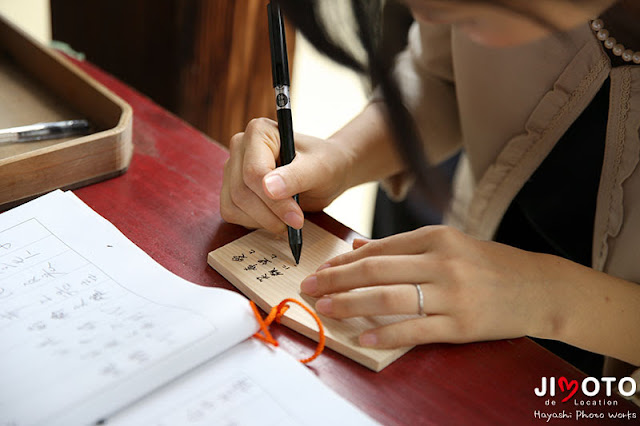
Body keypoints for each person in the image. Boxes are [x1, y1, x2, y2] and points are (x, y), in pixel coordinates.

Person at [220, 0, 640, 403]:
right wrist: (343, 157)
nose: (422, 11)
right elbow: (439, 77)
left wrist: (546, 296)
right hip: (474, 311)